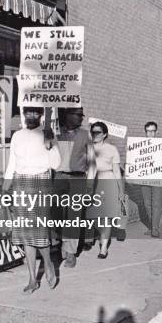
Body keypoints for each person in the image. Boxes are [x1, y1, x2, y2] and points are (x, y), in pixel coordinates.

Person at [3, 107, 61, 293]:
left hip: (41, 181)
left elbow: (56, 164)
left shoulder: (47, 134)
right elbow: (12, 162)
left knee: (40, 230)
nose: (31, 116)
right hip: (20, 183)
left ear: (41, 115)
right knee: (25, 233)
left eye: (35, 113)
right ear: (24, 115)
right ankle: (31, 278)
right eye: (28, 113)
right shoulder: (17, 136)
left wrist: (50, 144)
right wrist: (5, 189)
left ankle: (48, 263)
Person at [55, 107, 96, 268]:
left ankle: (70, 252)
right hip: (59, 178)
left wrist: (90, 183)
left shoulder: (85, 135)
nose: (81, 118)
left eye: (81, 116)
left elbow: (92, 161)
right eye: (77, 115)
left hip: (78, 179)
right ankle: (63, 244)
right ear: (67, 116)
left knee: (73, 216)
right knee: (59, 215)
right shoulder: (57, 133)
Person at [87, 122, 125, 259]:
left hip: (108, 181)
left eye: (97, 132)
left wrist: (121, 190)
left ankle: (103, 247)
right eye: (93, 132)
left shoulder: (112, 149)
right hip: (92, 183)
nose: (94, 135)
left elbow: (116, 171)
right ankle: (94, 237)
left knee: (107, 217)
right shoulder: (88, 148)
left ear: (104, 134)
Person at [141, 121, 162, 237]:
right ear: (145, 132)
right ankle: (152, 226)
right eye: (148, 131)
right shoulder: (140, 144)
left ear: (156, 132)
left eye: (153, 131)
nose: (150, 133)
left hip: (157, 177)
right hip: (144, 177)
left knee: (156, 203)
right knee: (147, 203)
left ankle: (155, 228)